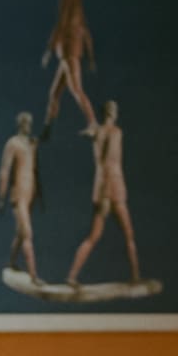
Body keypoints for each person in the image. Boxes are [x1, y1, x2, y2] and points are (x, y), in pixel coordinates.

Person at [67, 99, 143, 287]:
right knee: (128, 234)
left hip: (100, 187)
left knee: (93, 237)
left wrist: (92, 134)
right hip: (114, 186)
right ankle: (135, 276)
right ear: (113, 113)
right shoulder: (116, 132)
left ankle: (71, 276)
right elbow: (111, 160)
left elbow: (96, 144)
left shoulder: (97, 132)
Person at [41, 0, 98, 138]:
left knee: (75, 89)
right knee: (54, 92)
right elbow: (85, 31)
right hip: (69, 52)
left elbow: (62, 22)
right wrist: (90, 57)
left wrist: (49, 50)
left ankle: (93, 122)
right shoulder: (77, 1)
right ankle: (47, 127)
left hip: (68, 51)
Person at [0, 111, 42, 281]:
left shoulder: (31, 143)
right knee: (27, 233)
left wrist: (39, 194)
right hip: (19, 195)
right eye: (26, 122)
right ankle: (33, 275)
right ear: (20, 123)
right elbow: (4, 171)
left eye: (30, 122)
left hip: (29, 193)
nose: (29, 125)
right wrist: (1, 197)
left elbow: (35, 171)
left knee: (20, 233)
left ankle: (11, 262)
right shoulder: (13, 143)